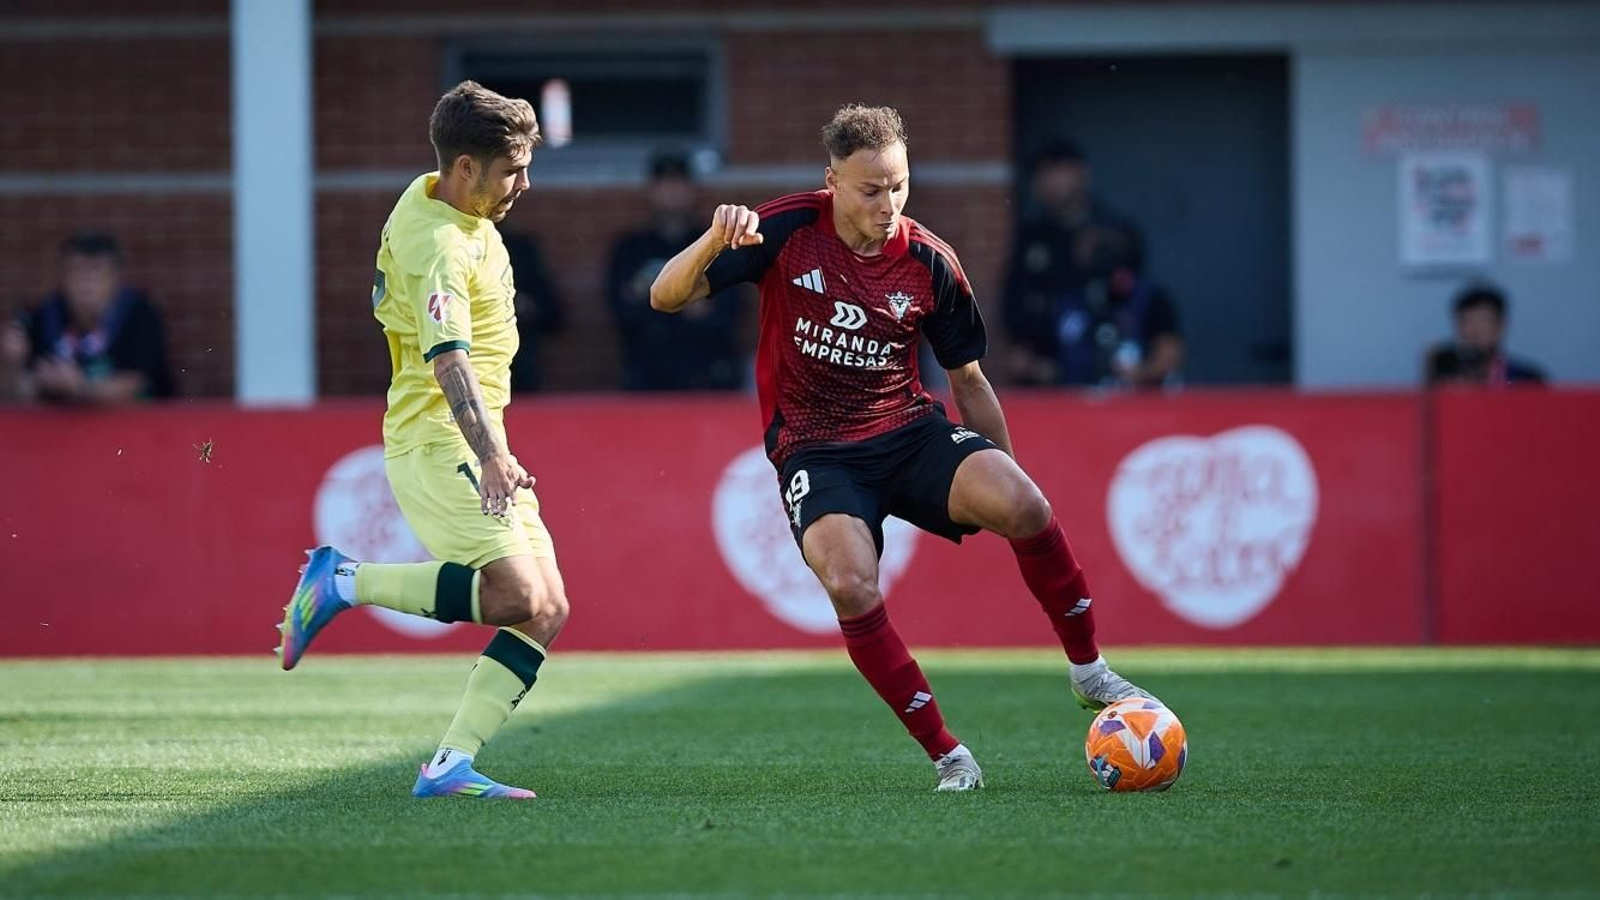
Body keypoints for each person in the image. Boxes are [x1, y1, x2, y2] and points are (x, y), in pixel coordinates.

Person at [650, 104, 1157, 793]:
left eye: (899, 186)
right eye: (870, 190)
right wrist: (714, 239)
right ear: (832, 181)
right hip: (817, 450)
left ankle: (1089, 670)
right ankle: (950, 755)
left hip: (908, 430)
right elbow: (665, 296)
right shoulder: (786, 229)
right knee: (849, 582)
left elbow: (967, 379)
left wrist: (1004, 474)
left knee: (1027, 505)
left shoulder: (931, 261)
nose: (888, 205)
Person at [278, 81, 570, 800]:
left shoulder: (444, 199)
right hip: (441, 440)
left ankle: (449, 765)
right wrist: (492, 456)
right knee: (516, 595)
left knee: (547, 609)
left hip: (475, 438)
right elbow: (449, 361)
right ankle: (343, 581)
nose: (524, 185)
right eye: (513, 171)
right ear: (466, 168)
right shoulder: (437, 244)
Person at [1002, 140, 1146, 386]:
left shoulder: (1114, 231)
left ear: (1081, 173)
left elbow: (1136, 295)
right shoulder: (1033, 237)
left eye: (1058, 170)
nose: (1050, 182)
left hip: (1102, 361)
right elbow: (1016, 298)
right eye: (1043, 173)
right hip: (1047, 369)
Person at [607, 150, 746, 391]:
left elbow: (729, 312)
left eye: (679, 183)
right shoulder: (631, 249)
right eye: (664, 184)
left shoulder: (718, 246)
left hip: (707, 376)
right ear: (651, 191)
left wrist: (661, 302)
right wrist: (684, 302)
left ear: (692, 189)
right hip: (648, 377)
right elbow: (622, 310)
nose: (672, 192)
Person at [0, 233, 175, 404]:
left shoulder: (139, 314)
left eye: (96, 270)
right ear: (62, 276)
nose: (87, 280)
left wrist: (81, 388)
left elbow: (136, 384)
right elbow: (22, 396)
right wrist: (13, 366)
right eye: (77, 270)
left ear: (116, 278)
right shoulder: (43, 317)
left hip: (136, 420)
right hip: (60, 422)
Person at [1052, 223, 1184, 389]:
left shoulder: (1151, 300)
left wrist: (1140, 373)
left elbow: (1170, 355)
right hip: (1075, 397)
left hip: (1136, 396)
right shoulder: (1070, 302)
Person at [1425, 282, 1546, 387]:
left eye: (1483, 321)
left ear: (1501, 326)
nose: (1474, 331)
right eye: (1466, 321)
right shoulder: (1445, 377)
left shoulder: (1527, 379)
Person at [502, 229, 566, 392]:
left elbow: (552, 313)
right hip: (474, 356)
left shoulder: (520, 249)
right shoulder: (455, 246)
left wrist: (522, 305)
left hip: (520, 358)